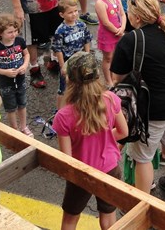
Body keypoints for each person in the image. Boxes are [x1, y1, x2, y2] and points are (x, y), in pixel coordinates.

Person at [110, 0, 165, 199]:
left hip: (152, 107)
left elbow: (117, 78)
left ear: (136, 17)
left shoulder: (131, 40)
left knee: (142, 156)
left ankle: (142, 202)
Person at [54, 53, 127, 230]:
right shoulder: (110, 99)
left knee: (70, 220)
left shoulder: (64, 116)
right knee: (109, 218)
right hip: (110, 168)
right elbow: (124, 132)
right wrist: (108, 140)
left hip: (81, 173)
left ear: (70, 80)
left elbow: (67, 159)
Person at [0, 13, 31, 135]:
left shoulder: (20, 41)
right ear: (0, 33)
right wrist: (4, 72)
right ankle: (14, 130)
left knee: (22, 104)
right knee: (10, 108)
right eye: (10, 32)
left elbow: (26, 54)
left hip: (21, 79)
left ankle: (23, 126)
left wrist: (24, 66)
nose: (14, 34)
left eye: (15, 31)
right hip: (6, 83)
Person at [53, 0, 93, 109]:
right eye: (70, 12)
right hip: (68, 62)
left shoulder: (82, 25)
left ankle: (78, 107)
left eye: (76, 11)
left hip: (81, 60)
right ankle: (59, 111)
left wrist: (87, 55)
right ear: (62, 15)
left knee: (81, 84)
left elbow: (87, 40)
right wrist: (62, 66)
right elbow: (58, 49)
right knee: (64, 89)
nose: (74, 14)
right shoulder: (60, 30)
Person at [95, 0, 125, 85]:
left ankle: (114, 76)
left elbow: (123, 14)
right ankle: (108, 81)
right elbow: (106, 23)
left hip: (118, 33)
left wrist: (122, 28)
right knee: (108, 57)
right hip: (108, 35)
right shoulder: (100, 2)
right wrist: (118, 31)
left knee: (116, 56)